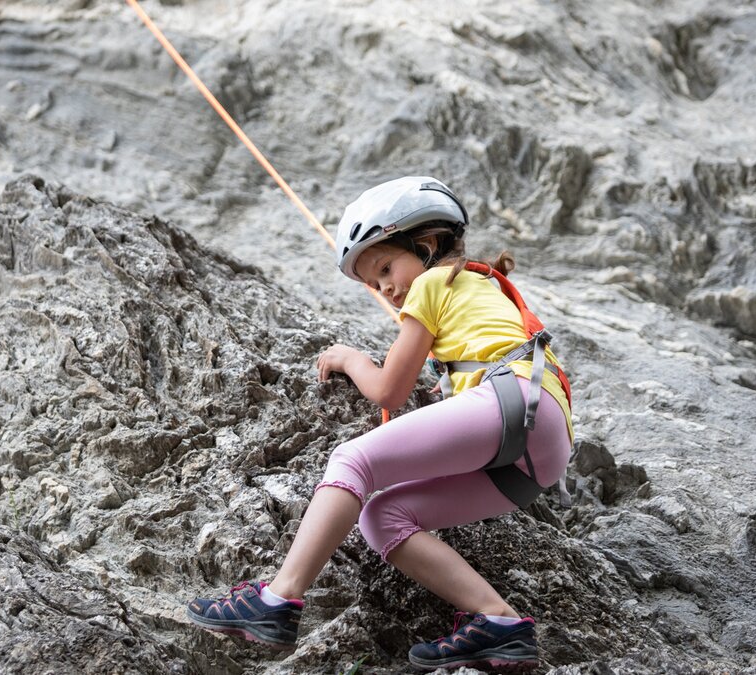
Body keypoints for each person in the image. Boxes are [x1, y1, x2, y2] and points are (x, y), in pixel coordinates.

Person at [185, 176, 573, 671]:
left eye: (387, 267)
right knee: (383, 517)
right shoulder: (480, 287)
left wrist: (348, 358)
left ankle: (280, 597)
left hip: (515, 401)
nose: (387, 290)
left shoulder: (436, 281)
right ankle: (499, 622)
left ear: (427, 244)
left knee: (352, 459)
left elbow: (388, 387)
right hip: (540, 452)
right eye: (375, 284)